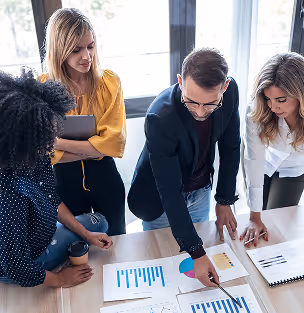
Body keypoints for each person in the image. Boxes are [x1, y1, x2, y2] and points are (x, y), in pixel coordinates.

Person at [128, 48, 241, 287]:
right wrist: (196, 252)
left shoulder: (231, 94)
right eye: (192, 101)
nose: (200, 112)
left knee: (190, 277)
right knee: (164, 267)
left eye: (210, 104)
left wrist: (224, 199)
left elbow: (231, 147)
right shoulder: (160, 117)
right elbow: (169, 190)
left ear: (225, 88)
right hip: (159, 199)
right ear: (180, 81)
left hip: (200, 191)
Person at [0, 68, 113, 287]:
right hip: (27, 260)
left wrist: (86, 234)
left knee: (98, 223)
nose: (53, 141)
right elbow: (15, 265)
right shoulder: (8, 192)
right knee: (98, 227)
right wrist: (59, 280)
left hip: (42, 234)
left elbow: (51, 199)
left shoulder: (38, 154)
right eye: (47, 136)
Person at [40, 8, 127, 236]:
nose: (87, 56)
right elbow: (43, 152)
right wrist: (93, 149)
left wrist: (59, 144)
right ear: (59, 51)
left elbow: (114, 143)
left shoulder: (109, 82)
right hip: (63, 183)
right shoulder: (42, 89)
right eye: (76, 50)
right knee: (75, 250)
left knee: (116, 244)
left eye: (90, 46)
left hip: (105, 179)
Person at [241, 52, 304, 247]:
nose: (273, 106)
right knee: (257, 218)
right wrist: (254, 217)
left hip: (296, 168)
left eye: (281, 100)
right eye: (268, 98)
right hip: (261, 159)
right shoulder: (257, 110)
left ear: (301, 94)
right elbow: (255, 160)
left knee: (277, 225)